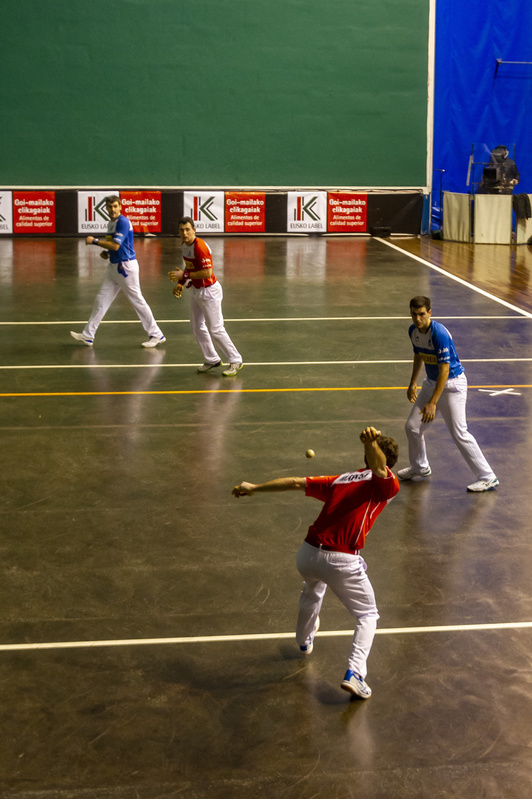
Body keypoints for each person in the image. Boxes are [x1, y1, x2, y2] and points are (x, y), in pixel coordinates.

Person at [232, 426, 400, 699]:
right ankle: (355, 674)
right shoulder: (386, 483)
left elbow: (298, 482)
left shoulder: (343, 479)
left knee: (312, 588)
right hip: (342, 558)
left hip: (308, 554)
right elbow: (380, 469)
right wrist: (372, 444)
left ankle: (303, 641)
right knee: (368, 615)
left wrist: (255, 488)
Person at [398, 296, 499, 492]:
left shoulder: (439, 334)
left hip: (452, 384)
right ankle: (420, 466)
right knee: (412, 427)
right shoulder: (413, 331)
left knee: (459, 432)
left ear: (429, 313)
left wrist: (433, 403)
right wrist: (412, 383)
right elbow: (418, 355)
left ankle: (487, 477)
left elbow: (444, 370)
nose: (417, 319)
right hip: (431, 383)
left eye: (421, 314)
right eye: (413, 314)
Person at [70, 196, 165, 348]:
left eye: (115, 206)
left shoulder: (123, 222)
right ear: (106, 208)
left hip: (125, 268)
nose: (112, 209)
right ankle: (88, 335)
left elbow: (115, 246)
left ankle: (156, 334)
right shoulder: (111, 223)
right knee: (101, 299)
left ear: (120, 207)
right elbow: (113, 247)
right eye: (109, 207)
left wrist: (94, 241)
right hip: (114, 267)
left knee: (137, 300)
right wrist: (106, 254)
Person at [168, 217, 243, 377]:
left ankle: (235, 359)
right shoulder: (184, 245)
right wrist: (181, 283)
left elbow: (207, 272)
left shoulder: (200, 247)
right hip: (196, 290)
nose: (185, 233)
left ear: (194, 230)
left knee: (216, 329)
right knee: (196, 326)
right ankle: (212, 359)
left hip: (209, 292)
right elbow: (189, 267)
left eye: (188, 229)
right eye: (181, 230)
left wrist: (184, 275)